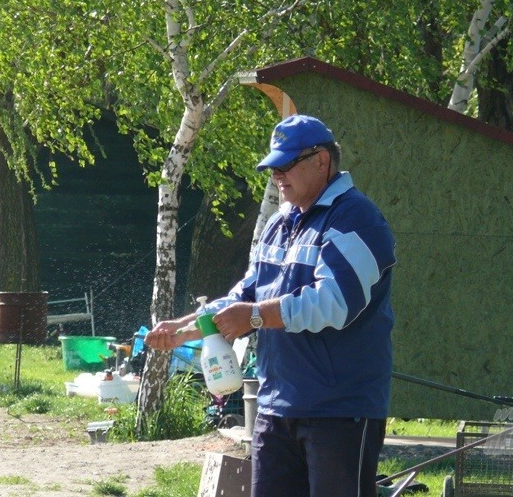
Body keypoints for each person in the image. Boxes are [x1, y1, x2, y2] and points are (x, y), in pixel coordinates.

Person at [146, 114, 397, 497]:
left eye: (286, 164)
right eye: (272, 167)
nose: (277, 175)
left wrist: (256, 317)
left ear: (322, 161)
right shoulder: (280, 223)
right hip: (276, 407)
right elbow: (246, 296)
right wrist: (186, 329)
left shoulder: (356, 218)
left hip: (340, 412)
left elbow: (335, 303)